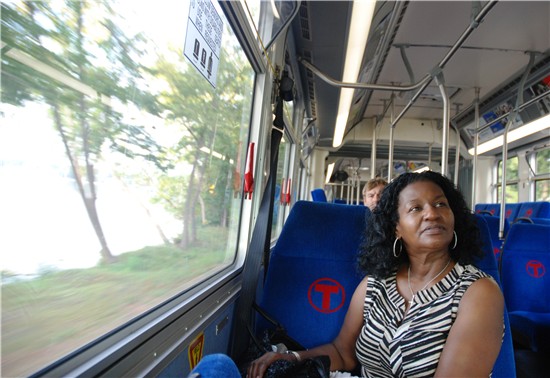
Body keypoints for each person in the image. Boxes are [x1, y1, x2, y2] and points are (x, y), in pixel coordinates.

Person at [247, 171, 504, 377]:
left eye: (440, 204)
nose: (432, 213)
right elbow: (342, 352)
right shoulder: (376, 284)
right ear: (396, 229)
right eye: (416, 208)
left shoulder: (478, 292)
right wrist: (291, 358)